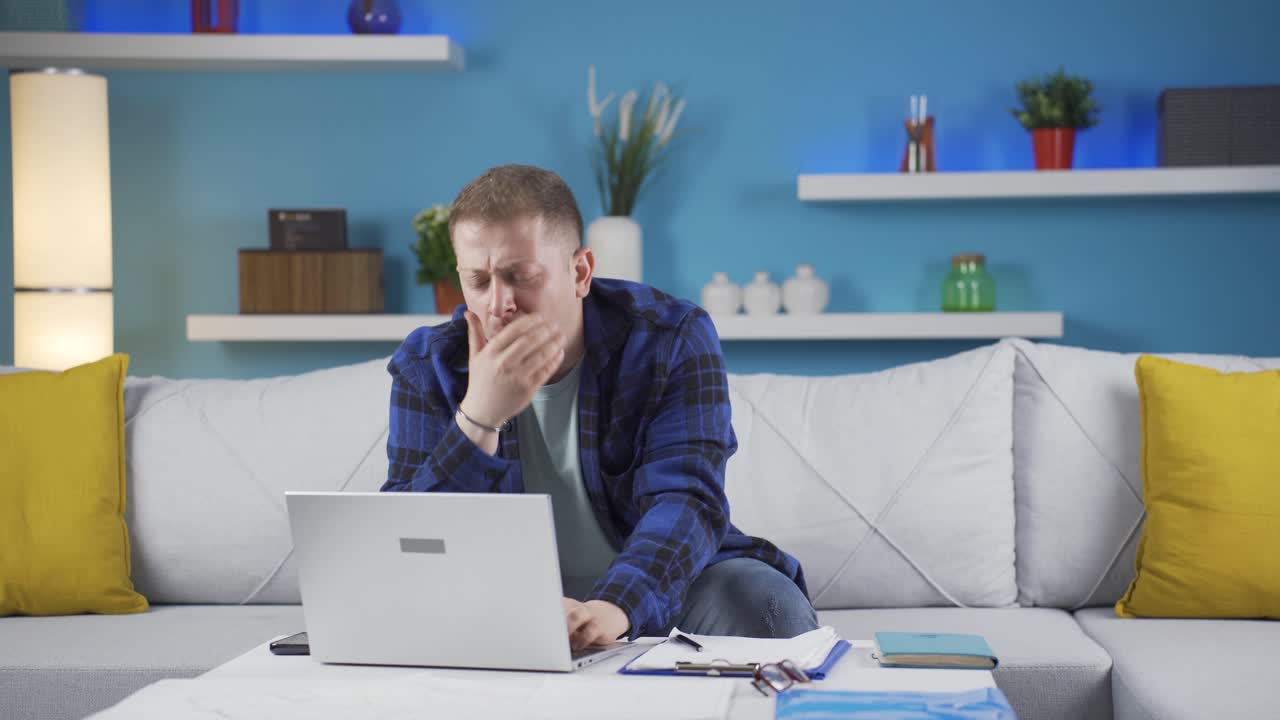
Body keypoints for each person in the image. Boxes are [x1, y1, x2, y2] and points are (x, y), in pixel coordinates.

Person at [383, 164, 816, 650]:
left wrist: (614, 607)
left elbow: (688, 499)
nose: (497, 303)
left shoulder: (671, 337)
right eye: (477, 280)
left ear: (580, 272)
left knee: (764, 607)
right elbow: (409, 544)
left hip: (665, 590)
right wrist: (479, 418)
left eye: (520, 276)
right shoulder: (427, 363)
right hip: (500, 599)